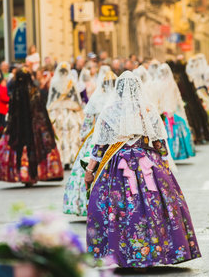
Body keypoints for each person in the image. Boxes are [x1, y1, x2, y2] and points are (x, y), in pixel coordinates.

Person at [85, 71, 201, 267]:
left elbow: (100, 146)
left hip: (117, 166)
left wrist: (90, 170)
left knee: (118, 208)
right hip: (146, 162)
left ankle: (120, 253)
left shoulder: (109, 112)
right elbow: (159, 142)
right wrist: (164, 163)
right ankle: (154, 251)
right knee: (154, 207)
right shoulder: (148, 110)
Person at [63, 69, 117, 216]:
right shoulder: (118, 99)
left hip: (97, 138)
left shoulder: (97, 97)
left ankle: (86, 205)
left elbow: (87, 122)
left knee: (90, 168)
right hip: (115, 140)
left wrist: (84, 136)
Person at [0, 69, 63, 185]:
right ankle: (34, 174)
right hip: (34, 127)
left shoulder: (15, 93)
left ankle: (24, 174)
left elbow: (11, 113)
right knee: (35, 149)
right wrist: (46, 126)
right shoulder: (34, 92)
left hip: (18, 128)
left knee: (21, 149)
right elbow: (41, 111)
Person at [152, 63, 195, 161]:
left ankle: (170, 154)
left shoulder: (158, 83)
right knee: (171, 133)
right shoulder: (168, 83)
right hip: (169, 111)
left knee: (166, 133)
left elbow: (158, 99)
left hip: (165, 112)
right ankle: (173, 154)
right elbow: (177, 98)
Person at [47, 62, 84, 169]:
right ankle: (70, 158)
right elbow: (76, 98)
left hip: (58, 111)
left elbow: (52, 98)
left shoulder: (55, 81)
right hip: (68, 110)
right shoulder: (70, 81)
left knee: (62, 135)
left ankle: (64, 159)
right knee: (70, 135)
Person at [169, 60, 209, 143]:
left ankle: (195, 137)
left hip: (186, 102)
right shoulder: (186, 76)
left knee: (191, 120)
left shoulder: (177, 78)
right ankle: (200, 135)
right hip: (193, 101)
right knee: (197, 119)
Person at [187, 54, 209, 134]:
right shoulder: (189, 71)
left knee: (208, 109)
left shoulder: (203, 71)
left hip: (202, 91)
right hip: (195, 93)